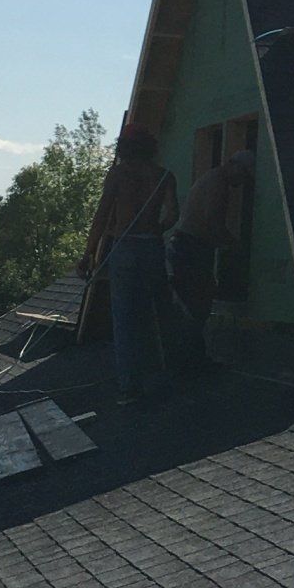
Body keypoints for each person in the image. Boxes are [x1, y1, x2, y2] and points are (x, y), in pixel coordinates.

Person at [81, 124, 179, 405]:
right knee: (156, 312)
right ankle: (165, 376)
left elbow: (102, 215)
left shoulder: (119, 174)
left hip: (124, 247)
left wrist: (89, 253)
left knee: (125, 318)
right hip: (152, 247)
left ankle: (130, 387)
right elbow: (173, 214)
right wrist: (157, 229)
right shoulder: (164, 176)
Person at [169, 148, 254, 369]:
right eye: (244, 175)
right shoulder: (218, 183)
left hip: (187, 247)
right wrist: (235, 246)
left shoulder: (211, 178)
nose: (242, 182)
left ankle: (191, 359)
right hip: (191, 248)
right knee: (197, 305)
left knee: (194, 305)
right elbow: (213, 222)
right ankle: (189, 362)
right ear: (235, 166)